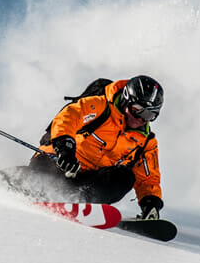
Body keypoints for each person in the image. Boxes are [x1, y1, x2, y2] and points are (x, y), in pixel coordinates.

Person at [29, 75, 164, 219]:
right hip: (60, 161)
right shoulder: (101, 106)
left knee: (125, 177)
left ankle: (78, 201)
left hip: (88, 182)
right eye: (137, 109)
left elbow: (148, 178)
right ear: (126, 99)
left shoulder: (145, 142)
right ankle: (18, 181)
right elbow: (70, 116)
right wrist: (65, 148)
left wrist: (151, 203)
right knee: (44, 178)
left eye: (149, 115)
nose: (140, 119)